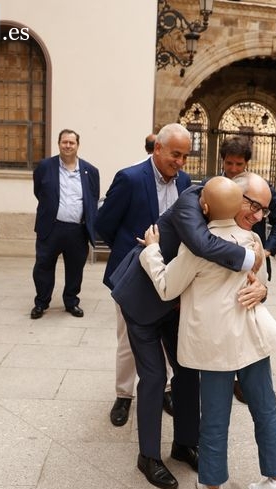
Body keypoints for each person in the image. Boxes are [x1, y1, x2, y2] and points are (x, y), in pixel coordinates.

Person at [107, 178, 266, 489]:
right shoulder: (192, 201)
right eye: (253, 206)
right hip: (143, 299)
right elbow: (201, 244)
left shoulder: (231, 219)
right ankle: (148, 456)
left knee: (187, 371)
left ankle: (184, 443)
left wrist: (261, 286)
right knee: (153, 377)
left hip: (175, 304)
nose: (256, 215)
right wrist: (249, 257)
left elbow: (244, 276)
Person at [139, 175, 276, 489]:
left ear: (205, 207)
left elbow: (167, 288)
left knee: (216, 414)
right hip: (251, 338)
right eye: (254, 206)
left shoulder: (196, 247)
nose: (259, 215)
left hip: (214, 343)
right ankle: (275, 478)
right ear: (238, 202)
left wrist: (151, 252)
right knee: (265, 408)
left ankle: (213, 485)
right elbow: (255, 276)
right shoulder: (250, 241)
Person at [96, 124, 192, 427]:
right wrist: (130, 254)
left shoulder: (186, 181)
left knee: (166, 337)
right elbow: (103, 224)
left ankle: (163, 389)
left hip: (170, 274)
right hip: (134, 275)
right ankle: (124, 395)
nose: (180, 162)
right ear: (158, 148)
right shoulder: (130, 178)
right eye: (175, 154)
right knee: (128, 339)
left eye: (185, 156)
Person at [218, 135, 276, 404]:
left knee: (250, 318)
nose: (233, 169)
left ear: (247, 163)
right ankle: (226, 374)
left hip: (254, 262)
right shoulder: (217, 185)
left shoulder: (262, 188)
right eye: (229, 163)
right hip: (223, 261)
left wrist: (267, 249)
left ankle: (243, 377)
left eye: (238, 164)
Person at [31, 129, 100, 319]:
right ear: (58, 143)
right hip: (51, 228)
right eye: (64, 142)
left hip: (77, 230)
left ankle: (71, 301)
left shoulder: (90, 171)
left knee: (75, 268)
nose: (68, 146)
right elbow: (39, 192)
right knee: (43, 266)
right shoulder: (45, 166)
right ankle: (41, 302)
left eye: (72, 142)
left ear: (78, 145)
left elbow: (92, 199)